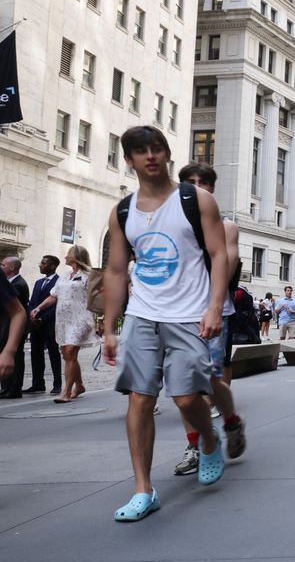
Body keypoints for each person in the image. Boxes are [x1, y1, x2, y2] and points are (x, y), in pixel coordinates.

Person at [101, 125, 230, 521]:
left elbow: (219, 255)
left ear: (168, 153)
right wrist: (109, 327)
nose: (151, 156)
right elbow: (116, 270)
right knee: (139, 398)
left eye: (157, 148)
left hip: (189, 314)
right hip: (142, 314)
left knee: (187, 398)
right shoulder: (123, 211)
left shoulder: (196, 200)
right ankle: (143, 489)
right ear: (129, 160)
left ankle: (209, 440)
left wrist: (214, 307)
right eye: (141, 151)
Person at [169, 162, 246, 476]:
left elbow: (226, 265)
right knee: (184, 387)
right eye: (190, 181)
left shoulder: (226, 226)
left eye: (204, 182)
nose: (197, 187)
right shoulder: (171, 224)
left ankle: (231, 421)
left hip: (212, 312)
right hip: (175, 313)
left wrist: (211, 306)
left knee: (208, 381)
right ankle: (195, 446)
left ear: (212, 189)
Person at [28, 246, 97, 404]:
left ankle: (66, 392)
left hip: (81, 318)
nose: (65, 257)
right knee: (67, 354)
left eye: (68, 254)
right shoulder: (64, 276)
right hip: (63, 320)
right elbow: (54, 296)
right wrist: (39, 308)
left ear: (76, 257)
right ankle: (79, 385)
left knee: (70, 352)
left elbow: (99, 296)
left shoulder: (88, 276)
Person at [24, 255, 62, 395]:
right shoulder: (38, 282)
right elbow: (33, 301)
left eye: (44, 263)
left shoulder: (59, 282)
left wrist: (42, 318)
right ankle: (38, 384)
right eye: (41, 262)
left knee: (53, 353)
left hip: (50, 323)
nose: (40, 265)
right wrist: (32, 315)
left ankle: (57, 384)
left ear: (52, 266)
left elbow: (57, 303)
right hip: (35, 324)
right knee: (35, 353)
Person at [0, 256, 29, 398]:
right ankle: (7, 388)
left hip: (10, 329)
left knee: (15, 359)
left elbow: (17, 311)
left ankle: (13, 389)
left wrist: (9, 351)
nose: (2, 267)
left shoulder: (18, 284)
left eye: (3, 265)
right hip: (6, 327)